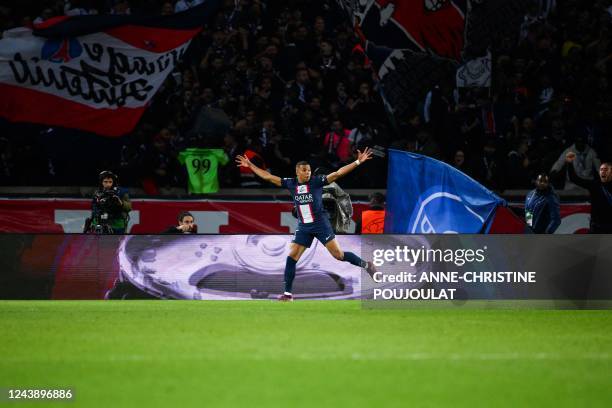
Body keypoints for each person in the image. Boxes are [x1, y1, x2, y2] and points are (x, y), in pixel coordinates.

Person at [235, 148, 377, 301]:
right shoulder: (291, 183)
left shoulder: (317, 181)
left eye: (309, 170)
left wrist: (357, 162)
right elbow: (268, 176)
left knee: (339, 255)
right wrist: (250, 165)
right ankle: (288, 294)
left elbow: (338, 173)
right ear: (297, 172)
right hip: (304, 226)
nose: (308, 172)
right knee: (292, 257)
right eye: (304, 170)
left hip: (321, 224)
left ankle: (367, 265)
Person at [565, 153, 612, 233]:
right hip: (597, 228)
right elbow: (574, 178)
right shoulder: (594, 186)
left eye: (606, 170)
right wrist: (569, 163)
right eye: (601, 170)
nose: (603, 172)